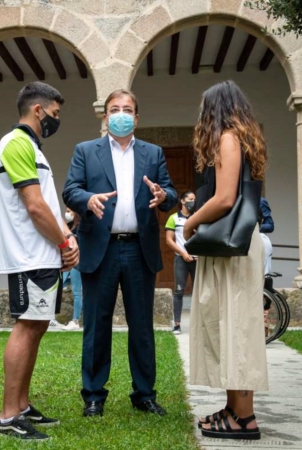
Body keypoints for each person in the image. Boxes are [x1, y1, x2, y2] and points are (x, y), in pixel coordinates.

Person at [63, 89, 177, 418]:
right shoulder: (86, 151)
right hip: (101, 248)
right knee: (96, 325)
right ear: (105, 116)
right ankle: (94, 396)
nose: (121, 114)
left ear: (137, 117)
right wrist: (87, 200)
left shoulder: (153, 154)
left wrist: (162, 195)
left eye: (128, 109)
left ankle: (144, 394)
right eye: (115, 109)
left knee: (142, 325)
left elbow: (169, 192)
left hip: (139, 249)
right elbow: (70, 190)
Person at [0, 81, 79, 441]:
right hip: (29, 254)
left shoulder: (31, 147)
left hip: (43, 253)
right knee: (27, 326)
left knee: (38, 326)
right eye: (55, 114)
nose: (56, 121)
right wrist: (62, 241)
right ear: (38, 110)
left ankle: (23, 405)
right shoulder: (15, 143)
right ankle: (8, 416)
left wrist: (67, 238)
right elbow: (33, 205)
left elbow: (46, 201)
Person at [184, 80, 268, 440]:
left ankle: (245, 418)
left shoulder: (228, 138)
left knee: (236, 324)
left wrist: (189, 221)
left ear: (214, 109)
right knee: (228, 322)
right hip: (234, 246)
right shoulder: (242, 137)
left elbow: (224, 198)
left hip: (234, 247)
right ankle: (234, 408)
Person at [165, 191, 197, 335]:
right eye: (190, 199)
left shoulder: (198, 217)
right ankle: (177, 324)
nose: (193, 202)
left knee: (199, 291)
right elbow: (169, 240)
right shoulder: (173, 218)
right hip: (181, 259)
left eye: (194, 200)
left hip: (197, 259)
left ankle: (199, 324)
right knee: (179, 291)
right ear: (183, 201)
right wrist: (183, 253)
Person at [62, 207, 83, 331]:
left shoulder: (81, 226)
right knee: (60, 286)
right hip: (67, 260)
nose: (67, 213)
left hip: (77, 262)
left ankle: (75, 320)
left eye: (69, 211)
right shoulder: (69, 226)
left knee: (76, 292)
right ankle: (50, 319)